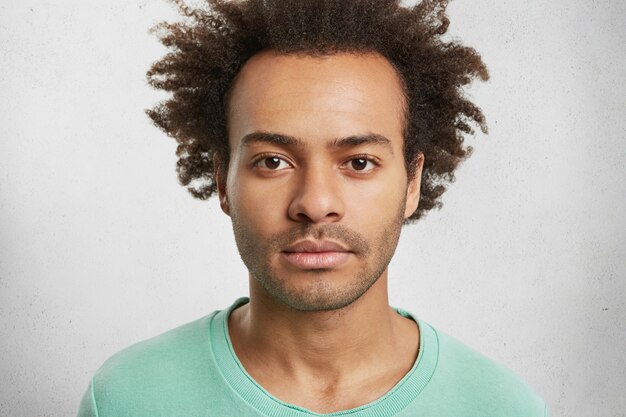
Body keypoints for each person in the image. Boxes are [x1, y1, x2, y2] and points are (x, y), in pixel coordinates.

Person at [78, 0, 548, 415]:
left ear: (412, 182)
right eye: (273, 161)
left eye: (359, 162)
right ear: (223, 181)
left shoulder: (503, 408)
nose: (315, 204)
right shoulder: (127, 399)